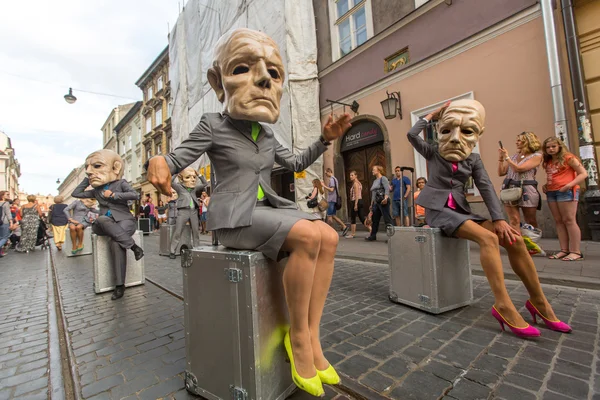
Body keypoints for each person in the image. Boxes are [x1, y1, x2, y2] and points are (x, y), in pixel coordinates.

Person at [146, 28, 352, 397]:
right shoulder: (213, 124)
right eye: (244, 68)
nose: (263, 80)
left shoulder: (267, 135)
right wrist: (158, 159)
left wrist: (325, 139)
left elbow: (297, 163)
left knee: (329, 235)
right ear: (219, 83)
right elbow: (176, 159)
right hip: (234, 220)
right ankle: (299, 338)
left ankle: (311, 334)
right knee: (308, 234)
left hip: (269, 211)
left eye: (274, 74)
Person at [408, 99, 571, 338]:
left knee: (513, 238)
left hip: (462, 211)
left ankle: (539, 302)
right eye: (447, 130)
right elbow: (412, 134)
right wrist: (432, 115)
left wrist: (499, 219)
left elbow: (486, 188)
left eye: (466, 131)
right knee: (488, 239)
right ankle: (503, 304)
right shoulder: (433, 151)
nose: (455, 138)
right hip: (438, 211)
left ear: (477, 135)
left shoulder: (473, 159)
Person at [72, 149, 144, 300]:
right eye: (87, 168)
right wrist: (88, 177)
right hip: (103, 223)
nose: (90, 171)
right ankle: (134, 247)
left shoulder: (121, 183)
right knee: (102, 219)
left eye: (96, 166)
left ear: (116, 168)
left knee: (116, 243)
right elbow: (76, 193)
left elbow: (135, 195)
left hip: (124, 220)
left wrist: (114, 195)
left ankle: (119, 286)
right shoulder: (96, 190)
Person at [542, 137, 588, 261]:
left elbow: (583, 173)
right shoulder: (548, 161)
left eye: (553, 146)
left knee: (569, 220)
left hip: (566, 191)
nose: (551, 149)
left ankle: (575, 251)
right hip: (552, 191)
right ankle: (564, 249)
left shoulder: (569, 158)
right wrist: (546, 185)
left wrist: (569, 185)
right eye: (548, 147)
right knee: (558, 220)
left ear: (559, 146)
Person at [498, 132, 543, 230]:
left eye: (519, 140)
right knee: (514, 220)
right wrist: (501, 159)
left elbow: (519, 169)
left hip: (527, 189)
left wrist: (507, 158)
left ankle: (531, 243)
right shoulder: (514, 157)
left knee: (530, 220)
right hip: (510, 188)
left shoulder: (536, 156)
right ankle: (517, 244)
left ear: (527, 142)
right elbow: (501, 172)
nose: (516, 142)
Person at [170, 167, 208, 258]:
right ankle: (172, 251)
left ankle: (197, 250)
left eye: (194, 177)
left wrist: (199, 175)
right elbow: (170, 182)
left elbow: (205, 183)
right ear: (182, 178)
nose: (192, 179)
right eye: (188, 177)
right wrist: (176, 173)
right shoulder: (179, 187)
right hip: (183, 211)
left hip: (193, 211)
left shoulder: (194, 188)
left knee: (195, 231)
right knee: (178, 231)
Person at [365, 166, 394, 241]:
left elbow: (387, 189)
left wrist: (386, 198)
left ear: (378, 171)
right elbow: (373, 194)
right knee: (375, 219)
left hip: (383, 201)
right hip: (376, 203)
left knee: (387, 219)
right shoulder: (375, 181)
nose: (372, 171)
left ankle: (391, 237)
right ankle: (373, 235)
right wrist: (371, 204)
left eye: (374, 170)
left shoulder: (383, 178)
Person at [322, 168, 349, 236]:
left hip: (331, 199)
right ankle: (344, 226)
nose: (326, 175)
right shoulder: (334, 179)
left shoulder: (332, 179)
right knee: (333, 215)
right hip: (334, 199)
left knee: (329, 216)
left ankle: (329, 231)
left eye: (326, 173)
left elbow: (331, 189)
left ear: (329, 172)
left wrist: (324, 186)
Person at [347, 170, 369, 238]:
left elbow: (356, 195)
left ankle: (352, 234)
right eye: (350, 175)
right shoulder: (358, 183)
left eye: (352, 175)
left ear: (356, 176)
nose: (350, 177)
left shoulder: (356, 184)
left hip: (356, 201)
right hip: (360, 201)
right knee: (362, 218)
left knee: (353, 217)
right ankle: (371, 229)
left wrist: (355, 204)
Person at [0, 191, 16, 257]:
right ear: (2, 196)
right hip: (4, 222)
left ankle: (0, 253)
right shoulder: (6, 203)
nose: (9, 196)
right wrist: (11, 222)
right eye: (7, 194)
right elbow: (8, 214)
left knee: (0, 238)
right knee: (5, 238)